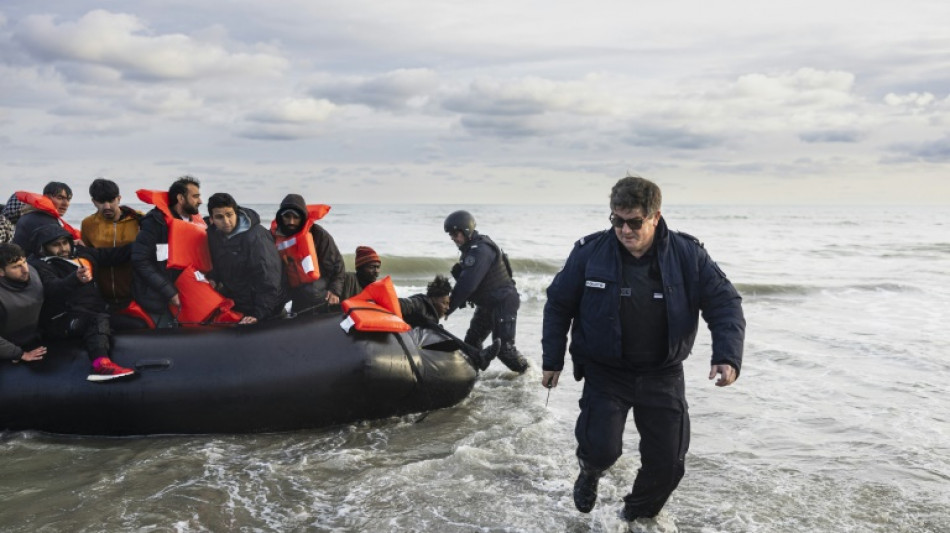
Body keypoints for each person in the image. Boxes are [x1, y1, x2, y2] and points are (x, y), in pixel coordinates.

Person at [541, 175, 745, 524]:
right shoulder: (589, 252)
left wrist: (727, 355)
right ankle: (590, 471)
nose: (624, 230)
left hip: (662, 373)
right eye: (617, 220)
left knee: (668, 465)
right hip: (606, 371)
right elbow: (559, 304)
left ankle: (632, 517)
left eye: (634, 222)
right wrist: (552, 359)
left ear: (655, 216)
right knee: (601, 449)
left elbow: (725, 303)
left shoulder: (688, 255)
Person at [28, 225, 135, 381]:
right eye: (56, 245)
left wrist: (144, 242)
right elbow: (52, 287)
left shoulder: (81, 253)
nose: (63, 248)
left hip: (95, 310)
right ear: (43, 248)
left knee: (135, 323)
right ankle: (101, 365)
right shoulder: (39, 265)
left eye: (65, 243)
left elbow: (111, 255)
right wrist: (75, 279)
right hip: (63, 318)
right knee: (95, 320)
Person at [444, 210, 528, 373]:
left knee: (505, 351)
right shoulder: (470, 248)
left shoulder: (481, 250)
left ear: (466, 230)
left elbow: (467, 284)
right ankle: (471, 380)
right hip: (488, 303)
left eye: (455, 233)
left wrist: (448, 308)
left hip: (503, 302)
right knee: (471, 343)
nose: (452, 238)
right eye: (450, 235)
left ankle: (529, 375)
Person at [131, 175, 203, 326]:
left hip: (189, 295)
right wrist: (169, 292)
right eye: (195, 196)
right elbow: (140, 260)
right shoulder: (155, 222)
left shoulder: (197, 223)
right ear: (181, 198)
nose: (200, 201)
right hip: (159, 300)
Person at [206, 193, 285, 324]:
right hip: (238, 302)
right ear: (211, 219)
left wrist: (259, 314)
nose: (226, 221)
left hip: (265, 306)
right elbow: (219, 263)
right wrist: (213, 278)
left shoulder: (256, 237)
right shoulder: (214, 235)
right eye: (219, 217)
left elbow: (269, 279)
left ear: (236, 213)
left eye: (229, 215)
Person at [272, 194, 345, 314]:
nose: (291, 221)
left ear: (303, 218)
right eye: (287, 216)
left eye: (296, 217)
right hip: (289, 284)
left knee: (310, 291)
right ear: (280, 217)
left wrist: (335, 291)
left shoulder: (319, 234)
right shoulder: (273, 236)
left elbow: (337, 264)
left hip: (316, 284)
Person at [80, 178, 142, 308]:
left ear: (119, 198)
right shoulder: (87, 224)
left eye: (111, 200)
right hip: (102, 298)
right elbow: (88, 258)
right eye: (101, 202)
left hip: (136, 296)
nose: (107, 206)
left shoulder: (139, 220)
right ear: (93, 201)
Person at [0, 243, 47, 364]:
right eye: (16, 267)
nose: (25, 270)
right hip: (10, 350)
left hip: (37, 337)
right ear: (1, 272)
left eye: (24, 262)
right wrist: (20, 354)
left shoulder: (32, 272)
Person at [12, 181, 73, 249]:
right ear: (46, 197)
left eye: (68, 199)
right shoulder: (45, 222)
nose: (66, 203)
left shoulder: (30, 214)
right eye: (60, 198)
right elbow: (57, 250)